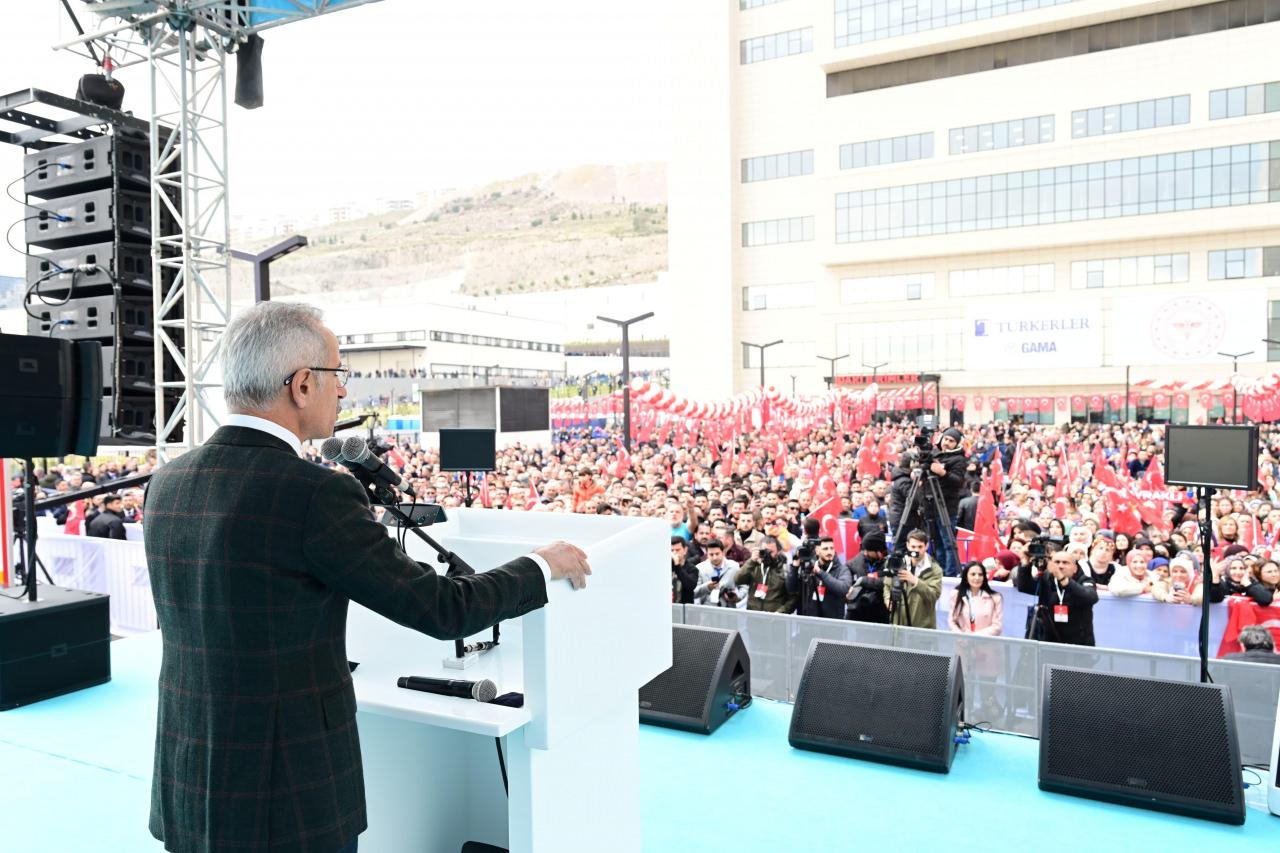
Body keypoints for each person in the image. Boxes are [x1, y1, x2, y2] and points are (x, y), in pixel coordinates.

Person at [143, 302, 591, 853]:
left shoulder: (166, 482)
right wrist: (542, 565)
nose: (345, 393)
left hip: (188, 774)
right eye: (339, 376)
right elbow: (444, 609)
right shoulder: (314, 493)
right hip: (285, 794)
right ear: (302, 384)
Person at [1015, 544, 1099, 645]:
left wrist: (1064, 580)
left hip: (1078, 642)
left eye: (1065, 563)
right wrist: (1025, 562)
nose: (1060, 566)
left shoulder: (1084, 580)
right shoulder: (1047, 577)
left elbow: (1091, 597)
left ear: (1075, 568)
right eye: (1057, 562)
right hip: (1050, 639)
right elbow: (1025, 587)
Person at [882, 528, 944, 629]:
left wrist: (915, 581)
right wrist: (888, 599)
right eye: (913, 546)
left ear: (926, 546)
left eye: (920, 547)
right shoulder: (897, 563)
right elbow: (887, 586)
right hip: (898, 624)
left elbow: (933, 596)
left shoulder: (935, 569)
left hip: (923, 627)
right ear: (907, 546)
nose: (916, 550)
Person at [786, 536, 851, 619]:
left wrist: (820, 572)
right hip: (808, 623)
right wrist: (794, 567)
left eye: (832, 548)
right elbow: (791, 589)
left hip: (832, 624)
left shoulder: (842, 569)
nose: (829, 551)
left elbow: (843, 589)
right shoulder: (807, 568)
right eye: (825, 549)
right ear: (817, 551)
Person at [733, 535, 796, 613]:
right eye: (765, 551)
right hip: (753, 616)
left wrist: (780, 613)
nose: (768, 555)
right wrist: (751, 561)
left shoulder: (784, 569)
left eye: (771, 552)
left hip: (775, 619)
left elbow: (793, 598)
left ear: (778, 552)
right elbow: (737, 580)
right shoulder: (754, 566)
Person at [845, 531, 891, 624]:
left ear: (878, 551)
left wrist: (865, 581)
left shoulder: (890, 562)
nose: (864, 553)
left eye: (868, 550)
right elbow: (847, 572)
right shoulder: (857, 561)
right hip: (858, 610)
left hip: (880, 612)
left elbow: (890, 581)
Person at [947, 561, 1004, 635]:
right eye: (973, 574)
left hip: (986, 643)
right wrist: (961, 636)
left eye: (980, 574)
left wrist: (974, 637)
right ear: (966, 577)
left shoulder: (995, 597)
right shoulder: (956, 594)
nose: (977, 578)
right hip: (962, 643)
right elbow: (951, 621)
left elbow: (997, 626)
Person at [694, 539, 742, 607]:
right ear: (706, 554)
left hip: (729, 609)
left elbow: (744, 586)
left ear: (723, 552)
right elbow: (694, 592)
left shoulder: (734, 566)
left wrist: (738, 597)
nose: (714, 557)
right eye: (711, 554)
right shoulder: (699, 568)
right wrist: (707, 587)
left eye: (717, 554)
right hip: (707, 609)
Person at [671, 536, 699, 605]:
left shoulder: (692, 569)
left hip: (684, 609)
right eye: (672, 550)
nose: (674, 553)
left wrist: (677, 566)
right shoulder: (665, 568)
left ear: (685, 550)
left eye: (677, 550)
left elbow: (690, 586)